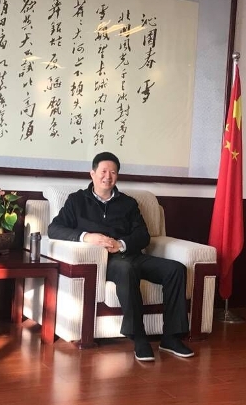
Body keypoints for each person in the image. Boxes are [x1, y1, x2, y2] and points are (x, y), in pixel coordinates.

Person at [48, 152, 194, 362]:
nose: (108, 176)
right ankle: (139, 337)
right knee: (127, 269)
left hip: (130, 254)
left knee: (176, 269)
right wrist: (87, 237)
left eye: (113, 172)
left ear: (117, 176)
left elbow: (143, 235)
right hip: (106, 261)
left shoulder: (128, 203)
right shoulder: (77, 201)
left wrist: (121, 244)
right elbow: (54, 229)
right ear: (92, 173)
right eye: (103, 171)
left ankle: (171, 338)